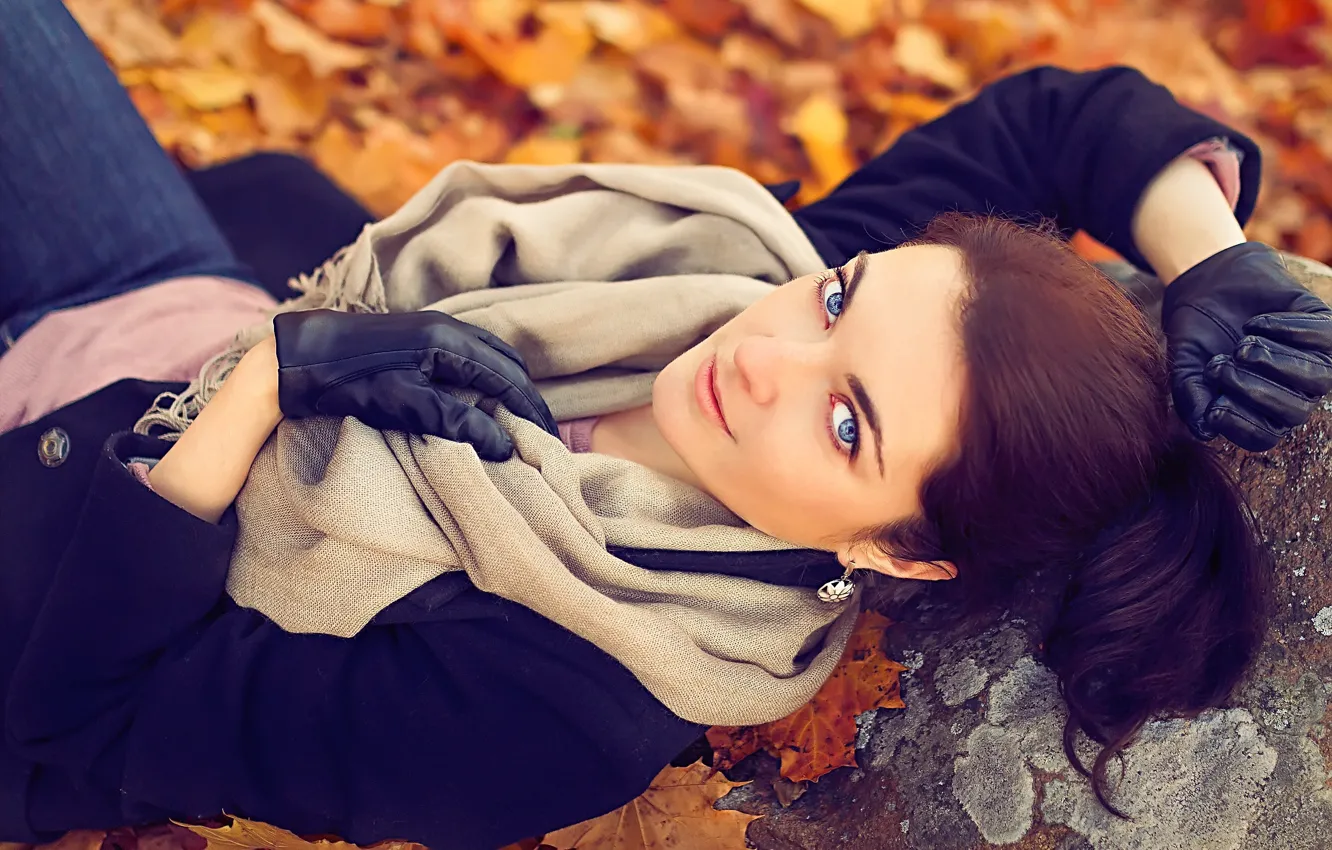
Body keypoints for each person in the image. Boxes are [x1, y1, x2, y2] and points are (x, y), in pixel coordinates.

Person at [4, 1, 1331, 847]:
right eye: (837, 296)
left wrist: (274, 386)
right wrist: (1209, 255)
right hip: (154, 301)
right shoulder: (751, 278)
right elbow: (1064, 118)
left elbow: (83, 715)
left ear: (902, 554)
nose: (764, 355)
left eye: (851, 426)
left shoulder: (565, 706)